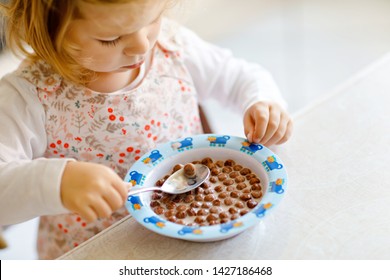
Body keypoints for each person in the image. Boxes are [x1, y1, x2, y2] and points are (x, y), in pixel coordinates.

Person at [0, 0, 293, 259]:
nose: (142, 45)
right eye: (110, 38)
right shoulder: (28, 96)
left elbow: (240, 76)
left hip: (195, 236)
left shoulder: (172, 46)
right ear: (47, 29)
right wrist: (59, 183)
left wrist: (262, 101)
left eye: (152, 19)